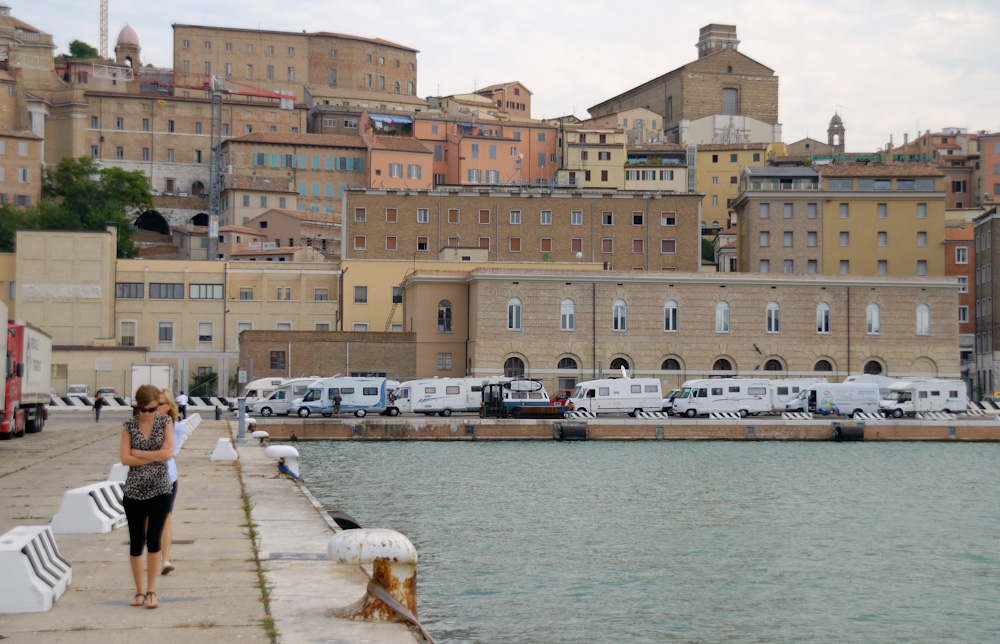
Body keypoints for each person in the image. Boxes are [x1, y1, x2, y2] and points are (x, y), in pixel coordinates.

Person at [120, 384, 174, 609]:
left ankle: (151, 590)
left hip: (160, 489)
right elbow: (125, 459)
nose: (147, 413)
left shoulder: (165, 423)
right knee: (136, 543)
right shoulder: (128, 426)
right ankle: (139, 591)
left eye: (151, 409)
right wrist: (155, 456)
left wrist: (139, 453)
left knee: (153, 540)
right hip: (134, 491)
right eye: (142, 409)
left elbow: (168, 454)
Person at [157, 389, 185, 576]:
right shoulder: (143, 424)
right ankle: (152, 558)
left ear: (168, 406)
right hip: (145, 476)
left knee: (165, 518)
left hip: (168, 476)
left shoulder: (176, 426)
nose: (155, 407)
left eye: (159, 404)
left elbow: (171, 452)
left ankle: (165, 560)